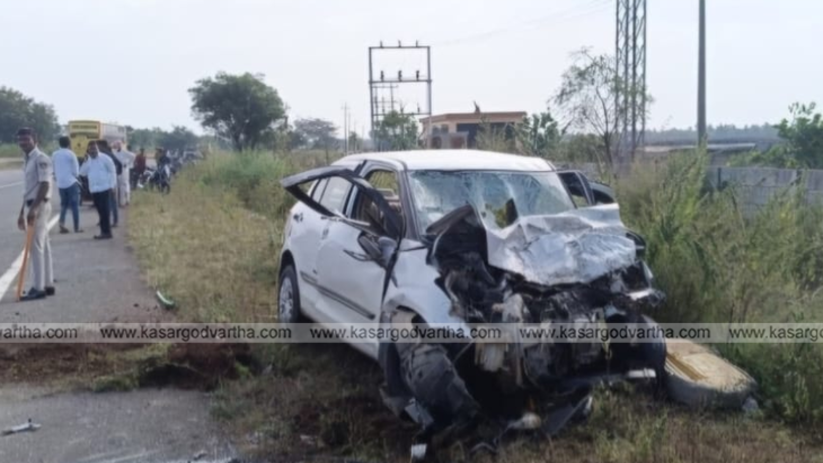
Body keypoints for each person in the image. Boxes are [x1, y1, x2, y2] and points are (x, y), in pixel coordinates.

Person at [16, 128, 55, 301]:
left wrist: (33, 209)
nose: (23, 142)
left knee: (35, 247)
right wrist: (21, 212)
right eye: (21, 140)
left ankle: (38, 288)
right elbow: (29, 189)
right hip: (32, 204)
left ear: (35, 139)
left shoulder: (41, 159)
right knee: (43, 245)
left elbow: (45, 185)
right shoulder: (27, 159)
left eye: (27, 139)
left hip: (39, 206)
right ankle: (47, 284)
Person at [79, 141, 116, 239]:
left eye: (95, 149)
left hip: (105, 188)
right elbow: (82, 173)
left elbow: (112, 172)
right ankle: (104, 232)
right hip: (94, 190)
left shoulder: (105, 159)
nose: (93, 151)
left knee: (105, 212)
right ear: (88, 150)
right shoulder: (88, 161)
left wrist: (112, 186)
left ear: (97, 149)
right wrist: (85, 161)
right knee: (100, 212)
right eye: (91, 149)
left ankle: (107, 233)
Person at [51, 136, 83, 234]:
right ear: (69, 143)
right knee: (75, 206)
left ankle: (62, 223)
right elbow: (76, 171)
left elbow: (53, 168)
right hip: (71, 182)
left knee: (64, 205)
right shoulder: (71, 154)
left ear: (59, 143)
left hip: (60, 183)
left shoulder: (54, 154)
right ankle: (76, 227)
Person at [97, 140, 122, 228]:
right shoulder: (105, 154)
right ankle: (105, 220)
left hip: (110, 182)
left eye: (98, 146)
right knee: (105, 202)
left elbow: (118, 165)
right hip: (105, 181)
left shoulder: (107, 155)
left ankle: (114, 221)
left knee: (111, 202)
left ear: (101, 146)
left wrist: (115, 176)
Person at [113, 141, 135, 206]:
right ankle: (120, 201)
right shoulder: (115, 153)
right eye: (116, 145)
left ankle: (125, 200)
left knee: (124, 185)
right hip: (118, 170)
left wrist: (128, 163)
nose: (117, 146)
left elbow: (133, 156)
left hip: (124, 170)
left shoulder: (124, 152)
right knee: (118, 186)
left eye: (119, 145)